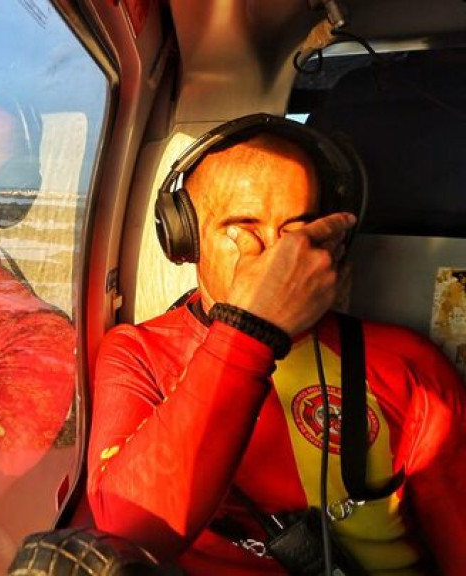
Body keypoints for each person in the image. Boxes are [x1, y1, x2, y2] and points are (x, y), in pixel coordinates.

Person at [86, 115, 466, 575]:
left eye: (297, 231)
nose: (277, 259)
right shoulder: (138, 354)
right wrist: (252, 329)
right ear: (185, 237)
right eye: (243, 228)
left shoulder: (409, 368)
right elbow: (130, 530)